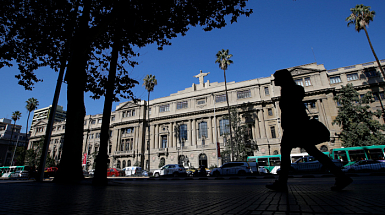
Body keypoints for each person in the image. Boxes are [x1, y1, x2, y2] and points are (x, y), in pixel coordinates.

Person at [266, 69, 353, 191]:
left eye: (277, 78)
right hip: (296, 127)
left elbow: (292, 110)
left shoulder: (290, 91)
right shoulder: (288, 90)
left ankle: (282, 183)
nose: (275, 80)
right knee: (313, 152)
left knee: (286, 154)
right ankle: (341, 176)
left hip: (294, 127)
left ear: (283, 78)